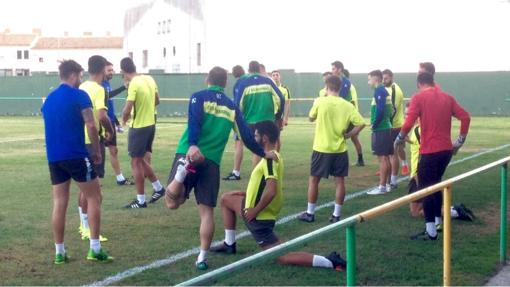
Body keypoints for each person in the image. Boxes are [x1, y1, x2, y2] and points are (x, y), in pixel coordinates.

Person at [164, 66, 278, 270]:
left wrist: (192, 145)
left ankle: (181, 174)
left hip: (190, 154)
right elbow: (247, 137)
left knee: (172, 202)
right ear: (225, 83)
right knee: (206, 213)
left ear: (208, 79)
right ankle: (201, 258)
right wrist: (263, 153)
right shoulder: (232, 107)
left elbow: (194, 122)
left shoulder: (198, 96)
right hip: (211, 163)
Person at [212, 121, 347, 272]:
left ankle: (330, 262)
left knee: (282, 256)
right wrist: (247, 194)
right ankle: (229, 244)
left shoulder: (270, 159)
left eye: (255, 135)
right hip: (253, 209)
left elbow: (271, 190)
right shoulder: (274, 156)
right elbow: (263, 184)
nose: (253, 138)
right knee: (226, 199)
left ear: (264, 138)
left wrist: (254, 212)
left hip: (258, 217)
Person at [42, 60, 113, 264]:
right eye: (80, 76)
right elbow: (91, 124)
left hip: (55, 158)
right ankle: (95, 248)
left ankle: (59, 252)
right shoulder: (80, 95)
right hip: (76, 155)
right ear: (73, 74)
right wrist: (97, 150)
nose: (81, 79)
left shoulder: (49, 100)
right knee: (94, 197)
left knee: (59, 202)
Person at [394, 71, 471, 240]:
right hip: (445, 152)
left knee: (426, 189)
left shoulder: (418, 98)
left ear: (419, 84)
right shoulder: (447, 97)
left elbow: (409, 122)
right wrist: (459, 142)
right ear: (433, 81)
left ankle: (431, 232)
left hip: (430, 151)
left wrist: (399, 138)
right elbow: (465, 117)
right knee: (435, 184)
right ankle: (438, 223)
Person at [297, 75, 365, 223]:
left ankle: (310, 213)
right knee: (339, 182)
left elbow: (310, 117)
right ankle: (336, 215)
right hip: (339, 150)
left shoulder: (320, 101)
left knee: (314, 180)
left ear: (327, 87)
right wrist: (348, 135)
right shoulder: (347, 105)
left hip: (321, 148)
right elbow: (361, 123)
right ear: (340, 88)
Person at [223, 60, 285, 180]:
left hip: (250, 121)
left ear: (249, 70)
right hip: (268, 121)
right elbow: (280, 98)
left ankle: (256, 177)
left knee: (257, 150)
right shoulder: (268, 81)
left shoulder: (243, 83)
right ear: (259, 69)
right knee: (270, 146)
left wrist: (239, 121)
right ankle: (269, 174)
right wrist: (278, 116)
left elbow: (237, 105)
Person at [120, 57, 166, 208]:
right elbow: (157, 100)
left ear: (123, 72)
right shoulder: (149, 78)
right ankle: (158, 188)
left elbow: (127, 108)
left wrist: (123, 121)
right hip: (151, 125)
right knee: (141, 160)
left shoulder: (133, 83)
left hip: (138, 127)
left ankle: (140, 200)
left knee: (135, 162)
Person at [407, 123, 474, 222]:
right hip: (425, 171)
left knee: (416, 212)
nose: (407, 116)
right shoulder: (427, 128)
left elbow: (424, 152)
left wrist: (418, 174)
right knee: (430, 201)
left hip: (419, 173)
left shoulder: (420, 129)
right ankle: (453, 210)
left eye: (408, 113)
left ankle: (455, 211)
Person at [78, 55, 114, 242]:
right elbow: (101, 116)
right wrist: (110, 131)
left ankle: (83, 224)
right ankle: (88, 228)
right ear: (102, 69)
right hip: (92, 142)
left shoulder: (82, 86)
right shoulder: (99, 89)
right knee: (93, 190)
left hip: (78, 140)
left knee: (84, 185)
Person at [102, 61, 133, 186]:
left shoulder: (106, 83)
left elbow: (108, 106)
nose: (112, 72)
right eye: (109, 70)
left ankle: (120, 178)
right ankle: (91, 178)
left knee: (113, 150)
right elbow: (107, 96)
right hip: (101, 122)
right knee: (96, 151)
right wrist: (123, 87)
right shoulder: (98, 85)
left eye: (112, 70)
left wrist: (116, 122)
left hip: (109, 121)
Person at [331, 61, 365, 166]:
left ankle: (360, 159)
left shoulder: (345, 82)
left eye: (333, 68)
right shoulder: (335, 81)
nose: (332, 71)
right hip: (339, 114)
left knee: (353, 138)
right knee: (338, 137)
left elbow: (340, 97)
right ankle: (336, 160)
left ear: (340, 69)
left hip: (347, 115)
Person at [366, 70, 394, 195]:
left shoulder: (379, 91)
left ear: (375, 79)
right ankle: (387, 185)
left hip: (381, 129)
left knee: (382, 158)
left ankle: (382, 187)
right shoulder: (384, 91)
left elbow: (381, 109)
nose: (368, 82)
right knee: (386, 157)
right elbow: (392, 110)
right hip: (386, 127)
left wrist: (374, 124)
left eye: (369, 79)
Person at [382, 69, 409, 188]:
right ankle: (389, 172)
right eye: (383, 78)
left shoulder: (394, 90)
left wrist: (383, 123)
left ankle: (393, 180)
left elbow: (392, 110)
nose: (384, 80)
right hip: (391, 126)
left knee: (394, 152)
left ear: (392, 77)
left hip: (394, 126)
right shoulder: (386, 88)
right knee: (390, 153)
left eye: (386, 78)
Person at [223, 65, 248, 181]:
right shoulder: (250, 79)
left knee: (238, 143)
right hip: (258, 118)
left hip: (244, 119)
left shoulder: (239, 83)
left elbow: (238, 104)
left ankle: (236, 172)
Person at [343, 69, 365, 167]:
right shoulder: (350, 86)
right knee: (354, 138)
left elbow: (350, 101)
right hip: (353, 114)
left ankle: (342, 161)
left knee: (342, 137)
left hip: (349, 115)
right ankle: (360, 159)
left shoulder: (347, 86)